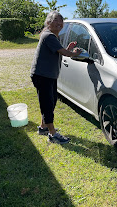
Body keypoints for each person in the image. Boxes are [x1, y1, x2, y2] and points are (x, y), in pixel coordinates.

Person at [30, 11, 82, 144]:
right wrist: (73, 53)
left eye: (61, 21)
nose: (59, 23)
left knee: (50, 101)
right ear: (48, 23)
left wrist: (68, 48)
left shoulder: (53, 36)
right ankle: (53, 134)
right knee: (47, 103)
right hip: (43, 75)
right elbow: (65, 53)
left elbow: (60, 51)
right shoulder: (49, 36)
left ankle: (43, 127)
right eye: (56, 20)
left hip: (48, 75)